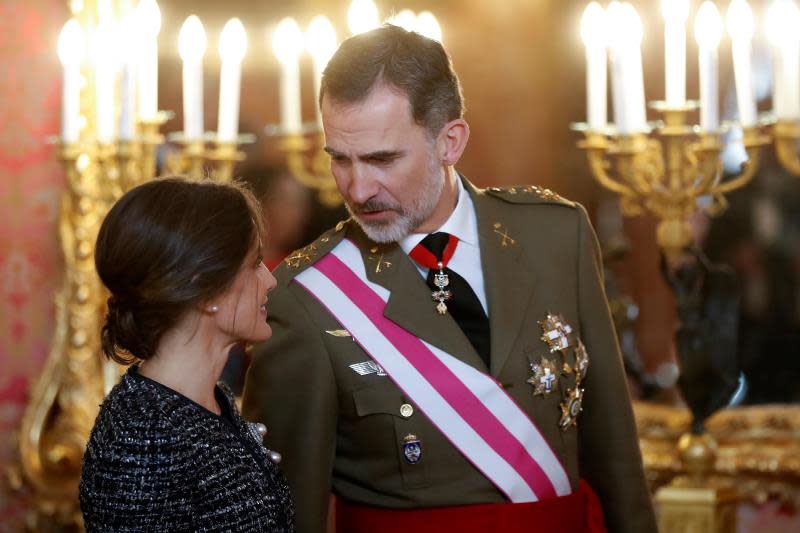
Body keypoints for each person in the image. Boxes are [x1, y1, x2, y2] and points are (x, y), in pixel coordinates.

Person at [242, 25, 657, 533]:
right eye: (339, 159)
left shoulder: (556, 235)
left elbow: (612, 446)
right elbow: (286, 513)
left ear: (450, 142)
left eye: (382, 158)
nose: (357, 187)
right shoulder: (307, 295)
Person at [80, 177, 294, 532]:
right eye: (254, 263)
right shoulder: (145, 432)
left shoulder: (213, 396)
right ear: (205, 287)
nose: (269, 280)